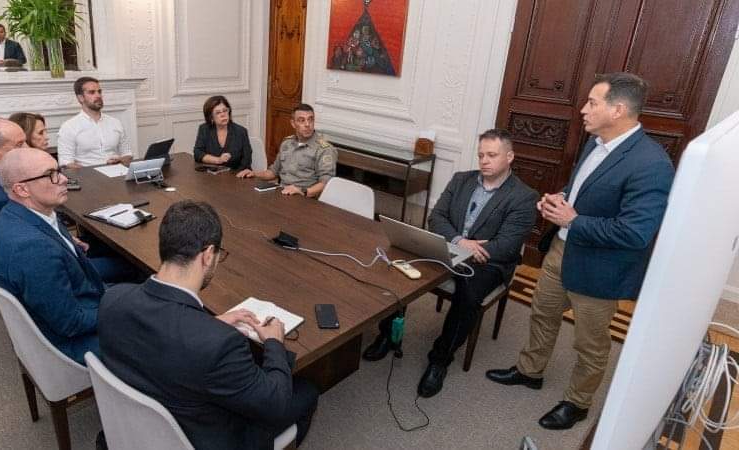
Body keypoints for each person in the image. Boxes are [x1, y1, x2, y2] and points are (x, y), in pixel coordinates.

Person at [486, 72, 675, 430]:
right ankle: (530, 371)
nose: (583, 109)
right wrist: (562, 198)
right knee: (543, 314)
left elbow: (636, 233)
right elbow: (582, 188)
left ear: (618, 110)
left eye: (592, 102)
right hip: (560, 252)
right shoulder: (594, 142)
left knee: (590, 344)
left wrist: (574, 219)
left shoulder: (652, 165)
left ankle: (578, 402)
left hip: (599, 269)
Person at [98, 200, 319, 449]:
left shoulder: (112, 300)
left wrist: (208, 323)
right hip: (204, 438)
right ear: (207, 255)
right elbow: (275, 404)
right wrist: (273, 343)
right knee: (307, 391)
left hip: (133, 427)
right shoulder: (220, 344)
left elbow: (166, 332)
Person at [363, 129, 537, 398]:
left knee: (467, 295)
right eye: (481, 155)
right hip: (452, 247)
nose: (484, 161)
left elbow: (508, 244)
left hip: (489, 261)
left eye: (492, 155)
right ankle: (388, 335)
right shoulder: (461, 179)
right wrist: (459, 241)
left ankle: (440, 359)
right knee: (400, 268)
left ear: (510, 157)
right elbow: (437, 217)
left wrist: (474, 248)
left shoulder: (523, 196)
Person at [0, 148, 110, 365]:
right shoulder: (31, 248)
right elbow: (71, 323)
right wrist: (123, 310)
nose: (63, 179)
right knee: (162, 332)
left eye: (59, 170)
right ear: (22, 189)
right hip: (72, 345)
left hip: (76, 303)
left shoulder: (26, 213)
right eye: (51, 174)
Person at [237, 103, 336, 197]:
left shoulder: (324, 149)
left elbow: (326, 183)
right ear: (293, 123)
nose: (307, 124)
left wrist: (303, 191)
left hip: (305, 199)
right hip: (282, 193)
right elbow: (273, 172)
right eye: (302, 120)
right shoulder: (287, 143)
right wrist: (254, 173)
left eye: (310, 120)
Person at [57, 77, 132, 168]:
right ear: (81, 98)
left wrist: (120, 160)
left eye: (99, 91)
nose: (98, 95)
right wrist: (91, 173)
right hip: (88, 177)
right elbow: (66, 163)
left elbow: (127, 154)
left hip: (117, 173)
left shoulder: (115, 123)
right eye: (92, 92)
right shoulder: (68, 127)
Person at [193, 95, 252, 174]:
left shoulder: (240, 131)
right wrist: (218, 160)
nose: (223, 115)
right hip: (212, 177)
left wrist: (233, 176)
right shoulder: (204, 129)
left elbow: (246, 162)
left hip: (236, 176)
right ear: (211, 117)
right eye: (218, 113)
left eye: (225, 110)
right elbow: (198, 153)